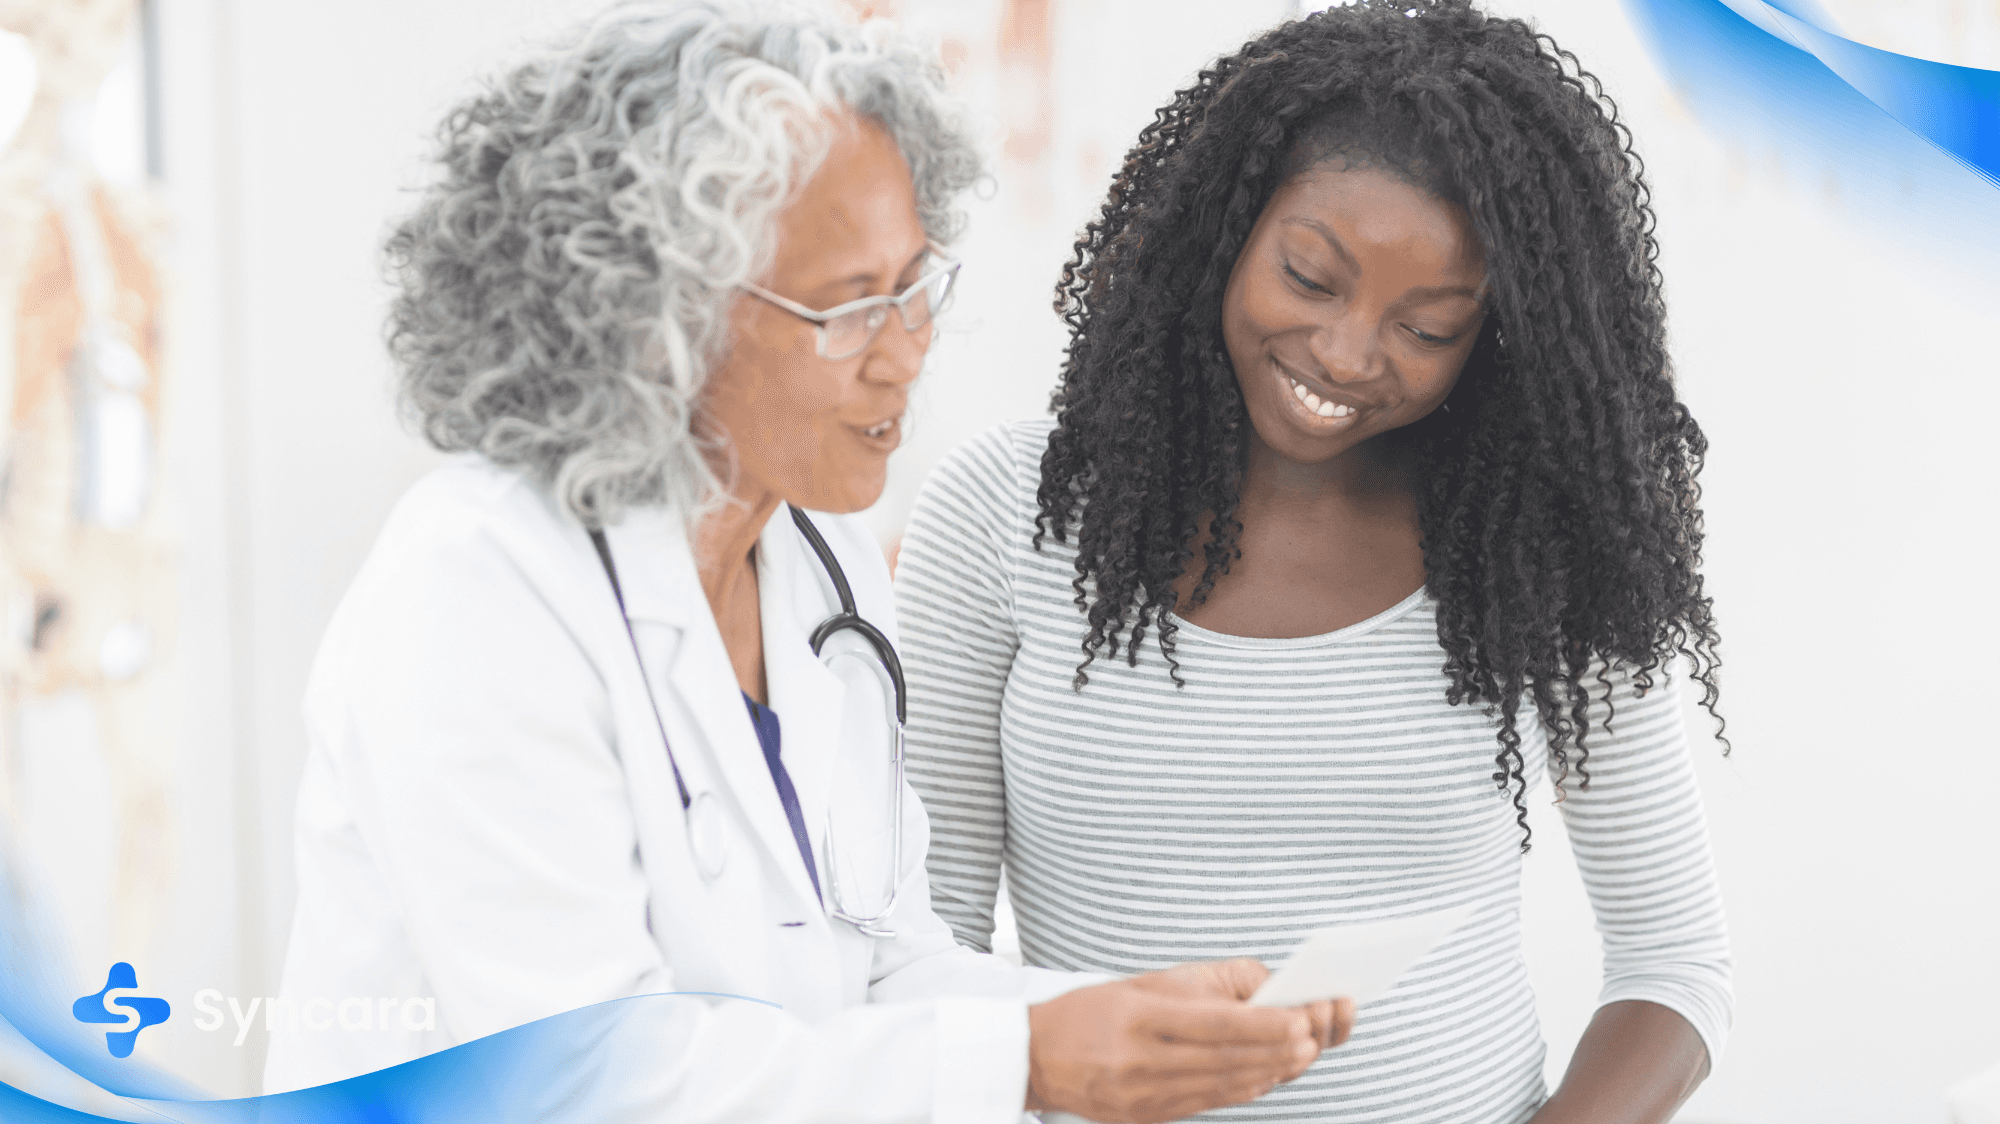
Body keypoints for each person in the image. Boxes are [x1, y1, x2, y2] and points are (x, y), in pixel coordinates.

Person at [263, 3, 1351, 1120]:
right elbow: (576, 1080)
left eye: (915, 285)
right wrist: (1028, 1057)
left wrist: (1122, 1020)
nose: (906, 356)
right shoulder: (477, 587)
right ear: (653, 319)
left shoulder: (820, 562)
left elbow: (879, 967)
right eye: (847, 310)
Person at [896, 2, 1731, 1122]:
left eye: (1427, 327)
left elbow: (1669, 963)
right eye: (1307, 275)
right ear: (1221, 232)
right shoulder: (1006, 514)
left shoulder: (1536, 542)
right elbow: (923, 949)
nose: (1345, 354)